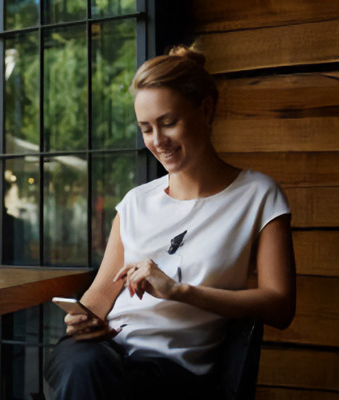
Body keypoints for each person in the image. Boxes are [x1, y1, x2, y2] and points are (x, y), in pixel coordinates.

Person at [43, 45, 296, 400]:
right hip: (102, 355)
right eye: (146, 129)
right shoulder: (135, 202)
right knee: (84, 364)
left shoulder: (258, 195)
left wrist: (179, 291)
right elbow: (101, 294)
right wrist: (82, 318)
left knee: (92, 377)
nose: (157, 141)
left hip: (174, 374)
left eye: (168, 122)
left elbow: (280, 305)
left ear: (206, 109)